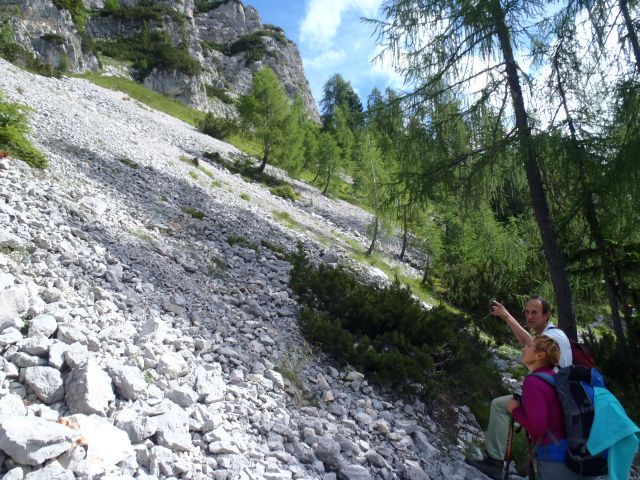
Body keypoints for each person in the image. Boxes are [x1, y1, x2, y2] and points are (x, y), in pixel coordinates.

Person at [467, 296, 572, 479]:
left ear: (547, 315)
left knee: (500, 406)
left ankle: (495, 462)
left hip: (548, 397)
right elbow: (528, 344)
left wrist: (508, 317)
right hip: (556, 396)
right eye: (527, 312)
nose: (529, 316)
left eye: (535, 312)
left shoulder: (552, 337)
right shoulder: (553, 334)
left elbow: (531, 344)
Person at [508, 335, 581, 479]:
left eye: (529, 346)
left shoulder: (533, 382)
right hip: (577, 458)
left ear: (540, 355)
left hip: (555, 460)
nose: (524, 348)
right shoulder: (556, 379)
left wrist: (515, 409)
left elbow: (537, 428)